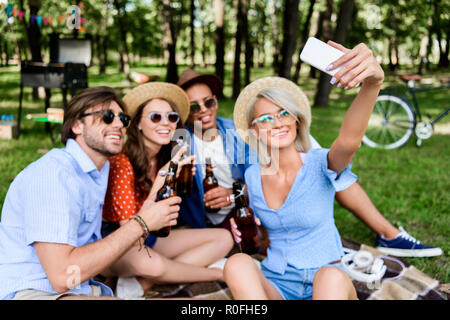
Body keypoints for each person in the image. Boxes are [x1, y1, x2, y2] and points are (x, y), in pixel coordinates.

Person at [176, 69, 442, 258]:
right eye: (194, 106)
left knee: (324, 166)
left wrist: (231, 193)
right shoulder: (179, 141)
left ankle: (387, 233)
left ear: (215, 101)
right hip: (220, 223)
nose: (203, 111)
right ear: (184, 111)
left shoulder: (233, 131)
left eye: (208, 102)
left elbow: (261, 173)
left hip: (247, 207)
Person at [224, 41, 385, 300]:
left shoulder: (321, 163)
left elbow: (349, 141)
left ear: (296, 121)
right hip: (278, 284)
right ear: (254, 131)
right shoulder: (253, 177)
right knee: (236, 264)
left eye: (284, 113)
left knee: (329, 276)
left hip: (326, 284)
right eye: (265, 118)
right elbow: (265, 234)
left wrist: (372, 85)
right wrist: (252, 232)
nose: (277, 122)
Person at [0, 87, 181, 300]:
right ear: (77, 125)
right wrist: (141, 222)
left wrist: (152, 199)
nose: (118, 124)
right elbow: (62, 277)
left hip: (80, 286)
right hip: (33, 292)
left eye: (122, 118)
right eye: (106, 116)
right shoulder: (53, 175)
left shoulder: (99, 169)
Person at [101, 82, 233, 296]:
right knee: (152, 264)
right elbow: (133, 236)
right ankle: (217, 274)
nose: (166, 123)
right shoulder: (122, 163)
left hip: (149, 238)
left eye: (171, 117)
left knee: (224, 238)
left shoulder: (168, 156)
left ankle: (146, 281)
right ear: (138, 124)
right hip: (118, 242)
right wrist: (160, 183)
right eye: (155, 117)